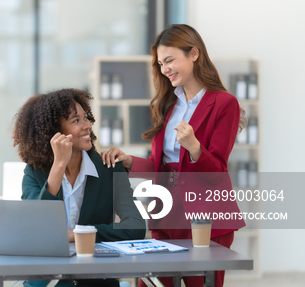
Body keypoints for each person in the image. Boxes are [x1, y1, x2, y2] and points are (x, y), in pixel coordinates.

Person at [100, 24, 246, 287]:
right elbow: (163, 165)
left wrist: (194, 147)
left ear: (194, 53)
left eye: (170, 60)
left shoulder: (225, 103)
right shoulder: (168, 104)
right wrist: (130, 160)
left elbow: (217, 171)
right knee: (151, 283)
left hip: (204, 215)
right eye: (160, 63)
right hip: (166, 209)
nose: (165, 69)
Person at [12, 88, 145, 287]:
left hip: (94, 281)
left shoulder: (109, 168)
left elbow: (135, 226)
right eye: (76, 121)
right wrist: (58, 167)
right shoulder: (34, 173)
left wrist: (79, 234)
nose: (87, 126)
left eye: (86, 118)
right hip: (46, 281)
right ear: (54, 133)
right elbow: (36, 230)